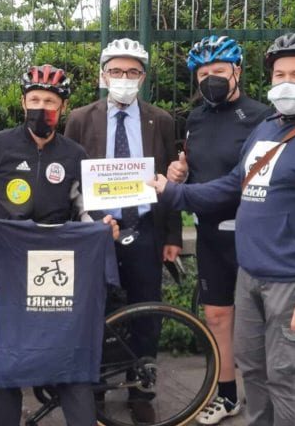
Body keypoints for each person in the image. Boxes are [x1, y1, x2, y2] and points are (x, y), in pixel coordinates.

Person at [152, 32, 295, 426]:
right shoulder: (266, 128)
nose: (286, 82)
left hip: (292, 283)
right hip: (250, 277)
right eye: (280, 73)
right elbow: (233, 184)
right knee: (253, 370)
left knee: (285, 379)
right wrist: (173, 193)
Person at [0, 65, 118, 426]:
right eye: (34, 100)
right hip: (7, 266)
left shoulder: (75, 154)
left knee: (68, 354)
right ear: (22, 102)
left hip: (58, 268)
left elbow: (86, 208)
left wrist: (103, 225)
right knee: (7, 358)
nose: (41, 107)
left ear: (62, 107)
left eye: (49, 101)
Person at [63, 38, 182, 422]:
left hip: (145, 227)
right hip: (97, 229)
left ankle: (141, 385)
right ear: (103, 75)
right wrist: (86, 223)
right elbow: (69, 176)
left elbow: (170, 183)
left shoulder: (161, 120)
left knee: (147, 309)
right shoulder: (81, 118)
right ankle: (96, 384)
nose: (124, 79)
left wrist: (172, 238)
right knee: (95, 309)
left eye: (132, 72)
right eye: (116, 71)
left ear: (143, 77)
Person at [165, 34, 273, 424]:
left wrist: (180, 193)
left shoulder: (262, 116)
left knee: (257, 323)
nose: (211, 78)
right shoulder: (195, 118)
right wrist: (180, 173)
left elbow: (244, 175)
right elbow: (194, 166)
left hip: (249, 232)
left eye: (219, 71)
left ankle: (267, 399)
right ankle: (227, 395)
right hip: (210, 231)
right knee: (216, 316)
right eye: (203, 72)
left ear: (237, 71)